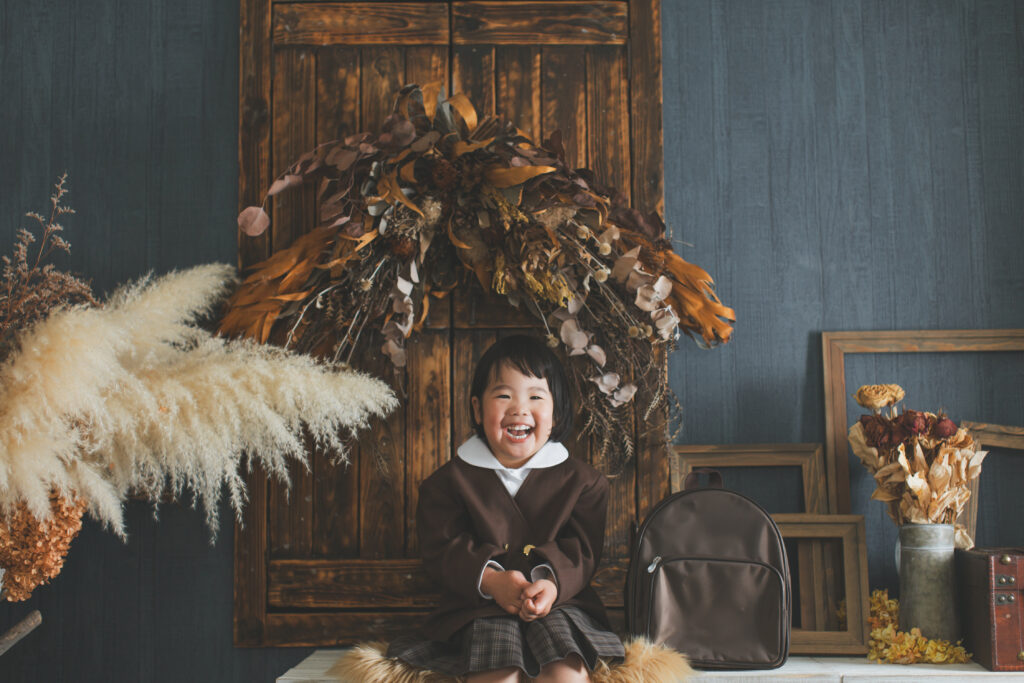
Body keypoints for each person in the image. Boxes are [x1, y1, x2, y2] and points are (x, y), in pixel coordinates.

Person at [388, 335, 625, 682]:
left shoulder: (584, 483)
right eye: (503, 395)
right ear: (476, 409)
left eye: (535, 396)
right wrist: (493, 580)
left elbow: (583, 552)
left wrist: (550, 584)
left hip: (558, 604)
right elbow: (443, 549)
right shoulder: (447, 483)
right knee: (497, 676)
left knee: (566, 675)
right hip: (479, 607)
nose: (519, 408)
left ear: (556, 413)